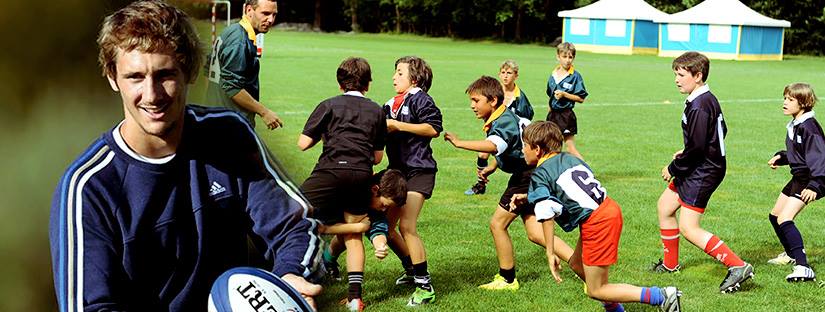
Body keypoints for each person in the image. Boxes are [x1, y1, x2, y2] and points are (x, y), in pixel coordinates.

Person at [49, 2, 322, 311]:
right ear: (113, 78)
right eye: (135, 77)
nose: (151, 95)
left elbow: (294, 225)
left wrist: (290, 278)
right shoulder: (88, 188)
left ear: (189, 71)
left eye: (165, 74)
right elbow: (91, 307)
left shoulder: (229, 136)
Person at [511, 121, 682, 312]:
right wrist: (529, 197)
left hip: (598, 221)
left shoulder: (540, 173)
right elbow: (570, 188)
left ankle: (662, 296)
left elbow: (546, 212)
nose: (522, 150)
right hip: (607, 208)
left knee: (596, 290)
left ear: (537, 149)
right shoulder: (569, 158)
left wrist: (550, 252)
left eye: (524, 145)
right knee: (576, 264)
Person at [444, 76, 572, 291]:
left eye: (476, 100)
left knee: (497, 224)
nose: (472, 105)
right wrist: (494, 167)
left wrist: (458, 143)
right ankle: (583, 264)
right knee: (535, 232)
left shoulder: (502, 121)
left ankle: (507, 279)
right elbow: (513, 147)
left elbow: (494, 145)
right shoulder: (503, 115)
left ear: (493, 100)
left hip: (527, 176)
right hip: (532, 172)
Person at [652, 51, 753, 293]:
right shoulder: (704, 99)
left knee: (689, 227)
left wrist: (673, 167)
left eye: (681, 75)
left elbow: (697, 149)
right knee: (665, 207)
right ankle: (670, 265)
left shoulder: (700, 105)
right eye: (675, 74)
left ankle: (738, 266)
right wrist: (691, 149)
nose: (677, 79)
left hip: (704, 170)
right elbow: (718, 132)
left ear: (698, 76)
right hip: (699, 164)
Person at [298, 56, 386, 311]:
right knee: (353, 231)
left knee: (295, 216)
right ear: (367, 84)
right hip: (360, 174)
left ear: (340, 84)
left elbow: (303, 144)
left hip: (329, 171)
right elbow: (378, 157)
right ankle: (355, 298)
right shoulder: (377, 111)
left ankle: (294, 279)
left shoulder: (328, 105)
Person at [383, 55, 442, 306]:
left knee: (407, 226)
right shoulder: (388, 104)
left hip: (420, 171)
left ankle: (425, 287)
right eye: (395, 72)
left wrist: (398, 126)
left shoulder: (421, 99)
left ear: (414, 78)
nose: (394, 77)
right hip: (397, 174)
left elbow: (433, 129)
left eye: (399, 73)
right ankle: (411, 270)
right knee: (384, 229)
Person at [766, 83, 821, 282]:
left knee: (785, 219)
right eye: (785, 98)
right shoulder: (797, 124)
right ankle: (790, 255)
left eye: (790, 100)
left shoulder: (809, 127)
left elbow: (820, 158)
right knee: (775, 216)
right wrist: (782, 157)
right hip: (799, 177)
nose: (785, 102)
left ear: (804, 103)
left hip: (811, 179)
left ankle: (803, 267)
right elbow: (799, 153)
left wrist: (815, 185)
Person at [321, 169, 408, 282]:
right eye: (383, 205)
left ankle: (328, 261)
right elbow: (324, 226)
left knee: (343, 237)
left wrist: (380, 245)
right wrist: (360, 227)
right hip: (334, 213)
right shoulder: (354, 192)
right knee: (345, 236)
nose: (384, 209)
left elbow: (379, 230)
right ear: (375, 190)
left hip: (343, 223)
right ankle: (327, 262)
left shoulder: (377, 210)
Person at [206, 0, 283, 130]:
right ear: (248, 10)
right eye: (265, 13)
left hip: (217, 117)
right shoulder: (239, 41)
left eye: (274, 15)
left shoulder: (231, 30)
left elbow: (207, 71)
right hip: (231, 123)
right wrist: (264, 112)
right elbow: (232, 87)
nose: (270, 20)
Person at [465, 60, 535, 196]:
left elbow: (524, 125)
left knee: (485, 152)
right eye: (503, 73)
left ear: (516, 75)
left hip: (515, 145)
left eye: (509, 73)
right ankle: (481, 183)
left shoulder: (520, 99)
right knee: (484, 154)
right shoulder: (492, 92)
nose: (505, 76)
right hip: (499, 134)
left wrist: (459, 143)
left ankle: (482, 182)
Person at [546, 42, 587, 160]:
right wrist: (549, 112)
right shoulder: (553, 74)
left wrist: (565, 94)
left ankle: (587, 170)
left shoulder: (575, 76)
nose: (568, 60)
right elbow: (551, 96)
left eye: (570, 57)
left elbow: (581, 98)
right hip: (552, 115)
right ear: (558, 57)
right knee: (552, 147)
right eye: (565, 57)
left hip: (566, 115)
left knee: (570, 148)